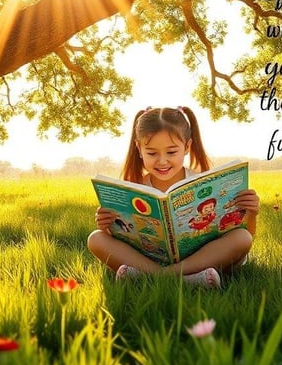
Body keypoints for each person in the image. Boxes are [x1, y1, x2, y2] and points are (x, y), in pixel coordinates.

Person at [87, 106, 260, 288]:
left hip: (199, 257)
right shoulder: (132, 188)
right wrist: (106, 226)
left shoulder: (201, 183)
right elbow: (121, 237)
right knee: (96, 239)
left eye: (171, 152)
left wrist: (252, 213)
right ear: (139, 149)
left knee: (242, 238)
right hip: (149, 256)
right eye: (152, 153)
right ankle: (188, 280)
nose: (162, 161)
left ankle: (153, 276)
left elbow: (246, 233)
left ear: (187, 147)